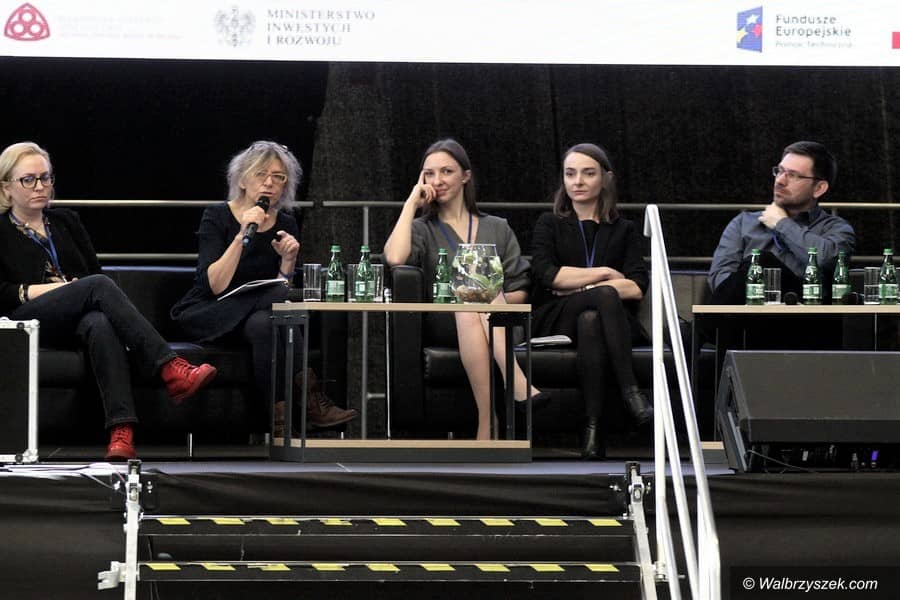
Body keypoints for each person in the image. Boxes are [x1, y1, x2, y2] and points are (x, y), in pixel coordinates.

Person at [0, 141, 217, 461]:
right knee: (99, 287)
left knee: (100, 322)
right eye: (28, 180)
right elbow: (2, 292)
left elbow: (92, 272)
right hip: (25, 320)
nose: (40, 186)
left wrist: (74, 291)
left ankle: (121, 432)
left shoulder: (66, 221)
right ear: (6, 188)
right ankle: (170, 367)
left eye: (45, 178)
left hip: (76, 314)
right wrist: (52, 290)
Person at [171, 141, 357, 432]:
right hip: (210, 311)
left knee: (265, 323)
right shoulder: (217, 216)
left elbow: (280, 290)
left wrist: (288, 261)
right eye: (261, 174)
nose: (269, 183)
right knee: (278, 298)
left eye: (279, 177)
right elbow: (214, 286)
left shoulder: (286, 223)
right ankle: (312, 400)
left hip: (254, 319)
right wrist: (241, 235)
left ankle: (279, 420)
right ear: (242, 180)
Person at [383, 139, 548, 441]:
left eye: (446, 171)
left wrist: (489, 297)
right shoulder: (421, 228)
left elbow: (521, 291)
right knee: (468, 298)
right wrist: (410, 204)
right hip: (444, 323)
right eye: (429, 173)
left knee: (475, 296)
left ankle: (487, 424)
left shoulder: (497, 227)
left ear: (465, 176)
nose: (437, 180)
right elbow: (395, 258)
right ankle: (519, 385)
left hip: (501, 322)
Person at [530, 143, 652, 460]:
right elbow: (549, 276)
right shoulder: (549, 223)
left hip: (610, 321)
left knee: (592, 320)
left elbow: (636, 287)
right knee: (606, 294)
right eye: (570, 174)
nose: (578, 182)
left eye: (588, 173)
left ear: (605, 178)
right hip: (557, 316)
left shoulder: (623, 229)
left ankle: (592, 431)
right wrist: (605, 274)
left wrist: (583, 288)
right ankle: (632, 393)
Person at [708, 141, 856, 304]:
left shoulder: (836, 229)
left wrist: (782, 224)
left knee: (762, 263)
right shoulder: (743, 224)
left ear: (819, 188)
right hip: (747, 313)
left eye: (792, 175)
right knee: (758, 265)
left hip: (804, 312)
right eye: (779, 171)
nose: (780, 181)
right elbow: (720, 280)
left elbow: (827, 261)